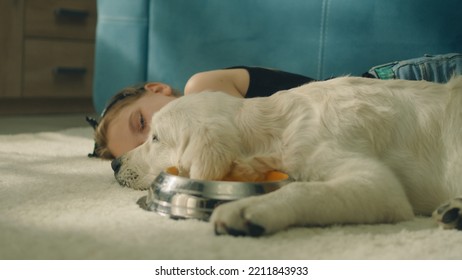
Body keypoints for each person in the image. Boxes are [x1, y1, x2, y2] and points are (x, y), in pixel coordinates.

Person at [87, 66, 315, 159]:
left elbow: (244, 154)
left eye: (141, 122)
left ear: (157, 89)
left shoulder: (200, 86)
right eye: (141, 149)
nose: (152, 139)